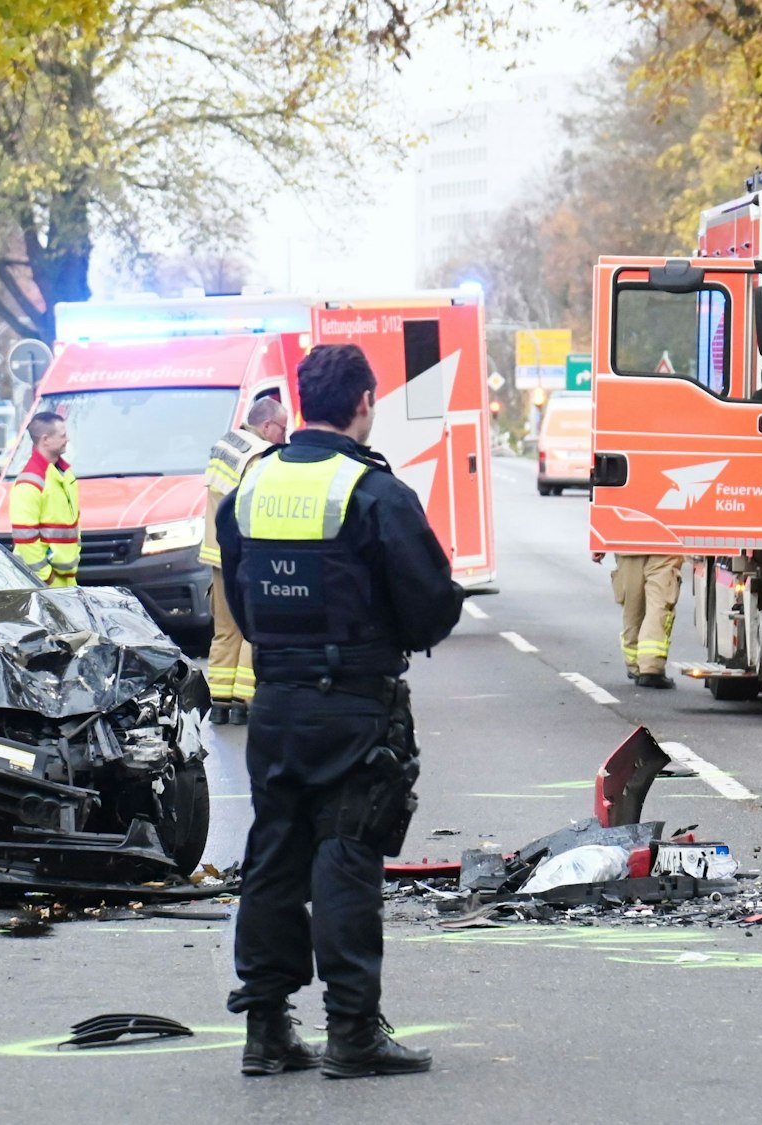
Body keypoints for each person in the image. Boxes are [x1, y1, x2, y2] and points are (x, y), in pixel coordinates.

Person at [215, 344, 463, 1079]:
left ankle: (266, 1028)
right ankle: (353, 1031)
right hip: (354, 704)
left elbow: (241, 594)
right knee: (346, 856)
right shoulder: (374, 493)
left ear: (299, 402)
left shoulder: (250, 490)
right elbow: (428, 608)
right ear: (363, 402)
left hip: (277, 704)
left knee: (273, 853)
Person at [201, 396, 290, 726]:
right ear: (267, 426)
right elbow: (258, 507)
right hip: (245, 554)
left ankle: (219, 700)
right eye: (283, 428)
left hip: (216, 552)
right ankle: (245, 701)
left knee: (224, 630)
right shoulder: (258, 454)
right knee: (253, 627)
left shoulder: (226, 444)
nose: (285, 436)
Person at [10, 413, 80, 586]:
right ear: (45, 440)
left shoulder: (63, 474)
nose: (67, 439)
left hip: (64, 579)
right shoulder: (31, 482)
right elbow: (25, 538)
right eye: (62, 435)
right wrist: (46, 577)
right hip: (44, 583)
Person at [612, 553, 684, 689]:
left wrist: (600, 544)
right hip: (666, 540)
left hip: (627, 540)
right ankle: (650, 666)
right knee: (659, 601)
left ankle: (635, 665)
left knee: (632, 603)